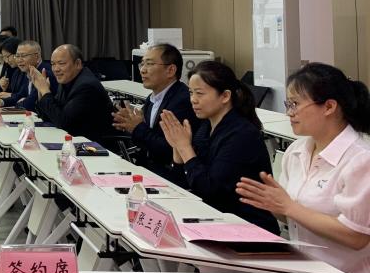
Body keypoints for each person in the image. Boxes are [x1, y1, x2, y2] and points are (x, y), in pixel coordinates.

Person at [237, 63, 370, 273]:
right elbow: (293, 216)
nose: (289, 112)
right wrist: (273, 206)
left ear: (329, 107)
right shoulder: (297, 151)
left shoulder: (360, 160)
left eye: (296, 104)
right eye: (288, 104)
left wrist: (288, 207)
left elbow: (356, 237)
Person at [159, 61, 278, 234]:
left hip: (249, 228)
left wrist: (185, 148)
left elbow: (210, 189)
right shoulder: (205, 127)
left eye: (200, 93)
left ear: (225, 96)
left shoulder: (241, 134)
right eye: (191, 92)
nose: (193, 100)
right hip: (216, 219)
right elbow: (185, 183)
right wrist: (178, 151)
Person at [112, 43, 196, 177]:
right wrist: (130, 126)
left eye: (149, 64)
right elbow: (147, 142)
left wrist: (137, 128)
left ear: (171, 70)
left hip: (168, 175)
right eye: (142, 64)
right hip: (146, 169)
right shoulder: (152, 97)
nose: (142, 70)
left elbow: (170, 149)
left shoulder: (182, 101)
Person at [31, 44, 115, 142]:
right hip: (74, 140)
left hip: (95, 145)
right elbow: (52, 116)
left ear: (78, 64)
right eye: (53, 64)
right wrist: (41, 92)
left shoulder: (86, 86)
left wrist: (45, 91)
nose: (56, 69)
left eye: (61, 63)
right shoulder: (67, 79)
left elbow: (63, 122)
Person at [0, 40, 56, 110]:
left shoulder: (45, 72)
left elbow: (30, 103)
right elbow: (21, 95)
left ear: (37, 57)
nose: (19, 60)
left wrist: (20, 103)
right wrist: (2, 102)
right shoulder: (28, 70)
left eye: (23, 56)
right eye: (17, 56)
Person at [0, 38, 25, 106]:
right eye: (4, 57)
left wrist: (9, 96)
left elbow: (24, 96)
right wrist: (4, 89)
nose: (6, 61)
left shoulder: (27, 71)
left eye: (7, 57)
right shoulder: (16, 71)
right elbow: (13, 94)